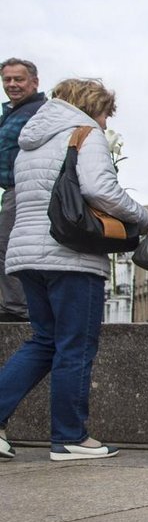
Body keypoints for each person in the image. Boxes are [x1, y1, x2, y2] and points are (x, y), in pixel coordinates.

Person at [0, 78, 148, 461]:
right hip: (70, 256)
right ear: (91, 106)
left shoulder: (31, 140)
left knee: (44, 341)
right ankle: (70, 437)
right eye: (105, 113)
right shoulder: (84, 133)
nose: (105, 122)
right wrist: (142, 218)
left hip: (27, 254)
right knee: (75, 346)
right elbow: (100, 190)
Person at [1, 58, 46, 323]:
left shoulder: (38, 111)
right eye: (7, 79)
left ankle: (16, 308)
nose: (12, 84)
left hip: (25, 188)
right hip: (12, 188)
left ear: (34, 82)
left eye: (18, 79)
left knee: (7, 245)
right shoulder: (13, 112)